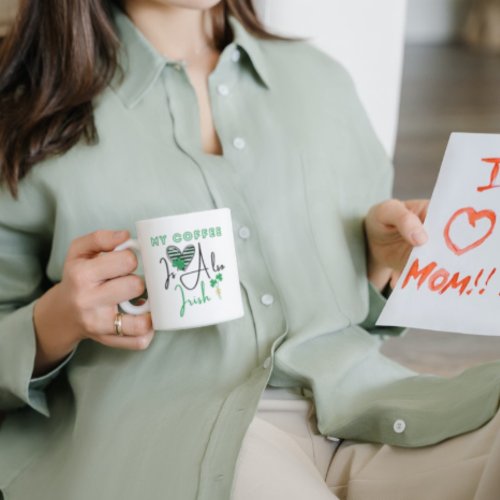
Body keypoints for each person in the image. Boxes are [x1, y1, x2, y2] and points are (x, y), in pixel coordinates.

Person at [0, 1, 500, 499]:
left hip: (368, 407)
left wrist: (374, 263)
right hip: (178, 434)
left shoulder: (320, 82)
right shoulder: (26, 115)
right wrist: (57, 320)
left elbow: (352, 319)